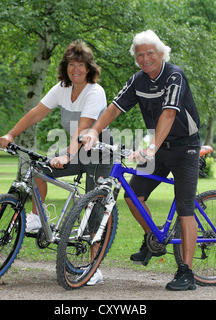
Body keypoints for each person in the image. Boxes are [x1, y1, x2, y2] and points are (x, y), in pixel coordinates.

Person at [82, 30, 201, 291]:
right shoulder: (138, 80)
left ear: (161, 54)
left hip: (185, 148)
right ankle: (152, 239)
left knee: (184, 209)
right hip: (159, 149)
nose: (145, 58)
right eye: (140, 55)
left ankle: (187, 273)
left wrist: (151, 147)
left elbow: (169, 115)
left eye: (149, 53)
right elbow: (114, 107)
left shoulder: (174, 75)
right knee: (133, 194)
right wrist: (93, 130)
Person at [0, 40, 112, 285]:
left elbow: (83, 130)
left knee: (95, 208)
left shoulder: (95, 91)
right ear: (65, 67)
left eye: (81, 65)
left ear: (89, 68)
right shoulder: (61, 88)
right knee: (38, 170)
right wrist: (11, 134)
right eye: (72, 64)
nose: (76, 69)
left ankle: (94, 269)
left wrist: (67, 156)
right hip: (74, 149)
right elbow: (36, 112)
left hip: (98, 154)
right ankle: (38, 217)